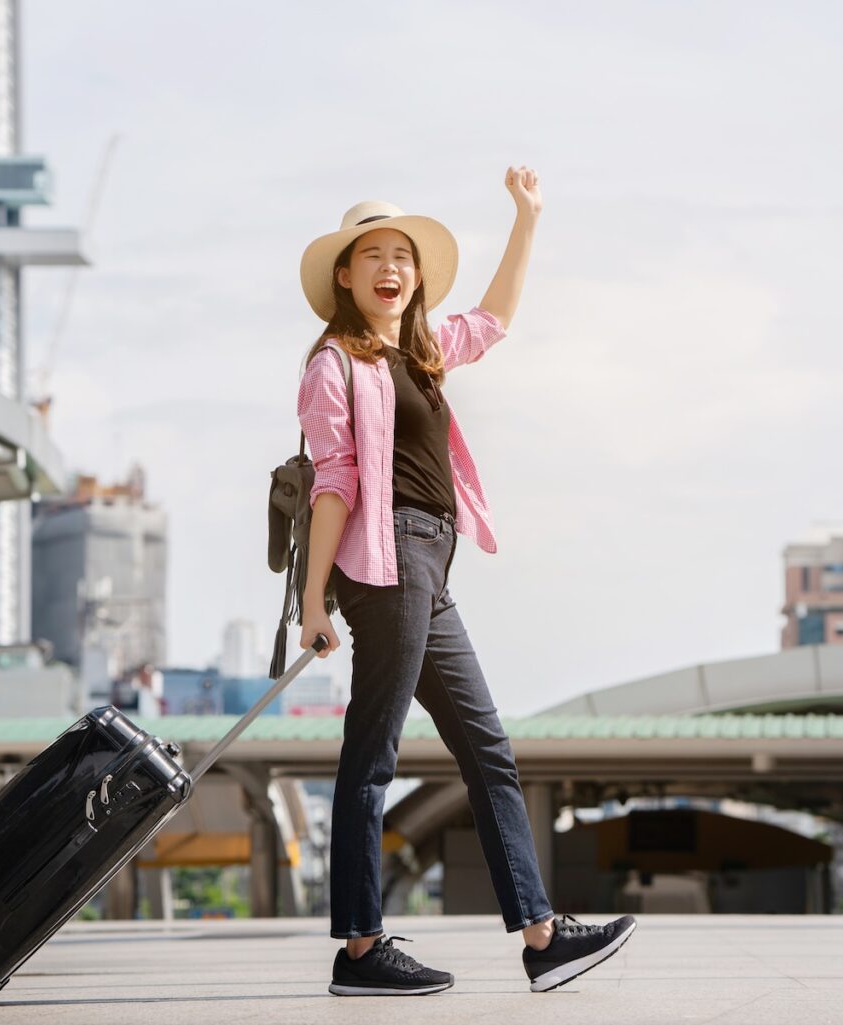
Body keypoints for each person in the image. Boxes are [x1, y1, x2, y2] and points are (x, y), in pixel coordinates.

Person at [294, 167, 636, 996]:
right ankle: (362, 949)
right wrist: (313, 600)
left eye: (402, 256)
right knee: (372, 755)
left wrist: (527, 219)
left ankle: (542, 935)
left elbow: (494, 320)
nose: (389, 267)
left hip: (430, 565)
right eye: (371, 254)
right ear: (345, 274)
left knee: (488, 747)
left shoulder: (419, 352)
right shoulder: (334, 364)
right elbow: (332, 483)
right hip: (385, 564)